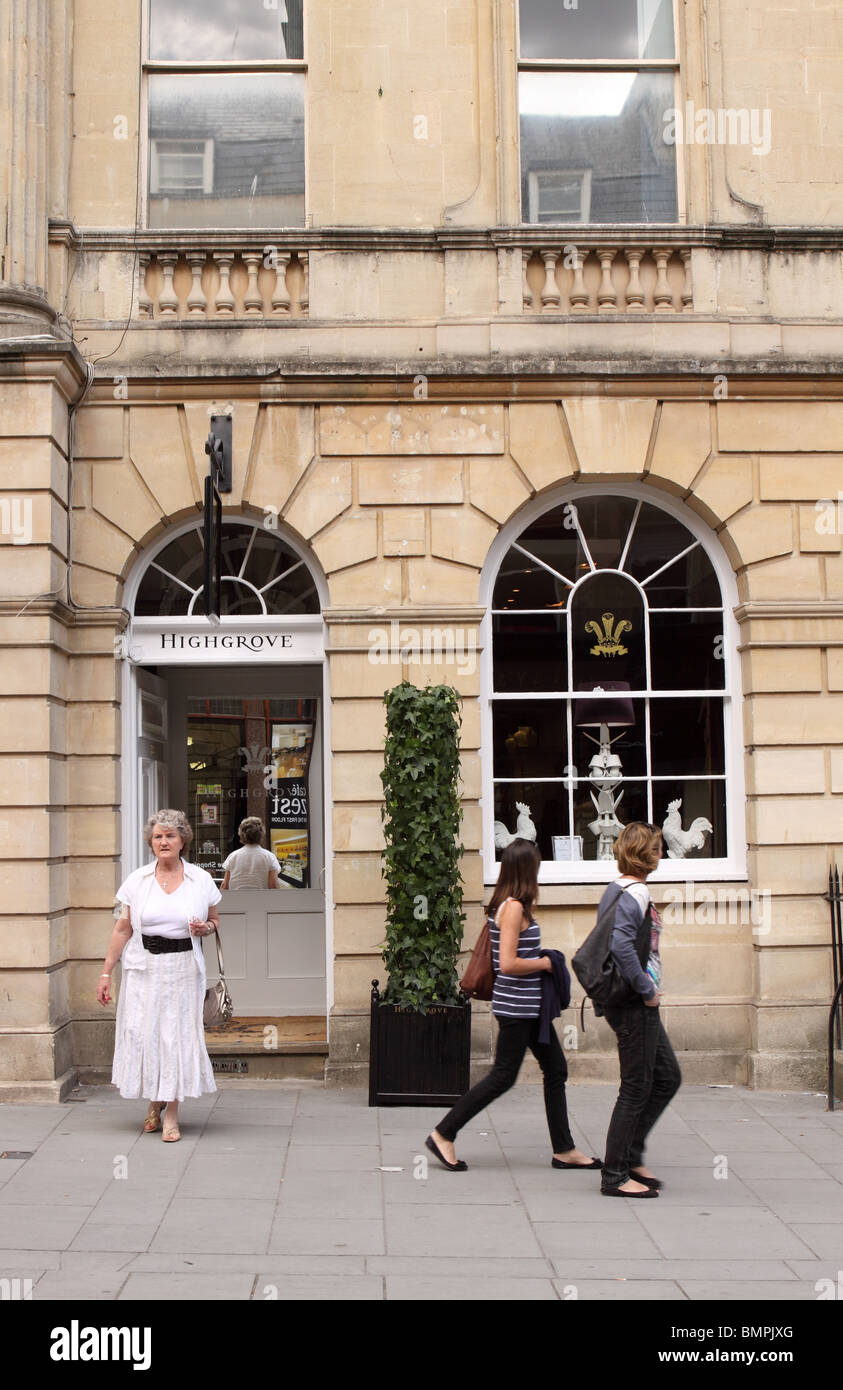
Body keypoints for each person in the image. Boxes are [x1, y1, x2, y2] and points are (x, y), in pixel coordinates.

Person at [426, 838, 599, 1173]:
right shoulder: (513, 908)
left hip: (529, 1009)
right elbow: (507, 963)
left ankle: (564, 1149)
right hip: (517, 1009)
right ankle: (443, 1133)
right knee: (503, 1076)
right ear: (526, 870)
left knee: (555, 1070)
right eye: (535, 867)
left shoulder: (510, 905)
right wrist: (546, 963)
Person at [97, 810, 221, 1142]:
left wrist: (204, 928)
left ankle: (172, 1116)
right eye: (157, 837)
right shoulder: (137, 881)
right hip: (144, 969)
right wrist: (106, 972)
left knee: (175, 1038)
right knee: (145, 1035)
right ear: (151, 843)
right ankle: (155, 1099)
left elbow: (215, 921)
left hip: (183, 968)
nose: (163, 842)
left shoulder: (200, 879)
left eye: (170, 836)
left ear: (183, 841)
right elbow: (122, 929)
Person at [599, 822, 682, 1198]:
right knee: (635, 1087)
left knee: (666, 1077)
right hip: (634, 1003)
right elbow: (619, 947)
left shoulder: (619, 889)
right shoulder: (635, 893)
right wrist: (647, 990)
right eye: (656, 847)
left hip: (632, 1001)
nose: (661, 853)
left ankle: (630, 1155)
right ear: (643, 854)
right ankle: (614, 1175)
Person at [221, 817, 282, 890]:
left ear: (241, 834)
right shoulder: (269, 857)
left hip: (237, 900)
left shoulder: (233, 856)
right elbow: (274, 886)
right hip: (262, 900)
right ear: (261, 834)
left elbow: (224, 886)